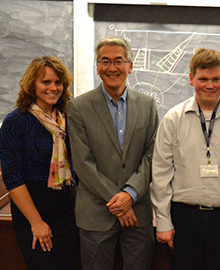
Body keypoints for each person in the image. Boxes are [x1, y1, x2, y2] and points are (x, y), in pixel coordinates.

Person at [151, 48, 220, 270]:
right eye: (203, 79)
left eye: (215, 79)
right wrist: (163, 221)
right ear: (191, 79)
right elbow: (161, 174)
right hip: (183, 218)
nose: (209, 85)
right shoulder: (173, 118)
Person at [67, 36, 158, 270]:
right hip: (95, 213)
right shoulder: (78, 107)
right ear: (97, 67)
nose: (112, 67)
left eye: (118, 61)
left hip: (137, 211)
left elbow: (151, 156)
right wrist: (118, 202)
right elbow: (82, 162)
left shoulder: (147, 105)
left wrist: (129, 195)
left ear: (130, 65)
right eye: (105, 61)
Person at [0, 56, 78, 269]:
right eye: (46, 82)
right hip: (34, 213)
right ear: (32, 85)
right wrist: (36, 222)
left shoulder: (68, 119)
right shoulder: (16, 122)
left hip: (69, 214)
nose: (53, 88)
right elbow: (12, 178)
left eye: (58, 82)